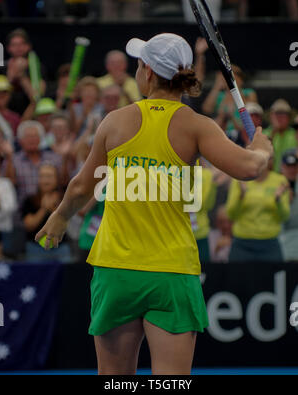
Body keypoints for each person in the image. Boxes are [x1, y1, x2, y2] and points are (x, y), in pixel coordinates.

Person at [36, 33, 272, 375]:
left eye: (138, 64)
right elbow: (251, 168)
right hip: (171, 272)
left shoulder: (114, 121)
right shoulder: (197, 125)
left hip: (117, 270)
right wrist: (262, 147)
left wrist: (59, 219)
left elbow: (80, 187)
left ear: (147, 73)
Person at [226, 157, 290, 263]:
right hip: (242, 243)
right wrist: (241, 196)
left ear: (270, 161)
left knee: (273, 279)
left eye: (265, 159)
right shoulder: (239, 179)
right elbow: (231, 215)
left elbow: (284, 216)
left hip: (270, 243)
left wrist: (278, 201)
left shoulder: (280, 180)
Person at [22, 163, 71, 263]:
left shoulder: (65, 199)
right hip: (35, 249)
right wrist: (43, 208)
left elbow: (67, 224)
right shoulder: (30, 200)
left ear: (57, 179)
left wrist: (54, 209)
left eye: (49, 176)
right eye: (42, 176)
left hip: (61, 248)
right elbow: (29, 225)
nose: (45, 180)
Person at [263, 99, 297, 172]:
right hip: (269, 178)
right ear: (271, 116)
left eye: (284, 114)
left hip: (291, 177)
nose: (280, 117)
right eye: (277, 114)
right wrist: (274, 132)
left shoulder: (295, 134)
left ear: (289, 118)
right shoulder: (263, 134)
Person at [279, 150, 298, 261]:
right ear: (282, 167)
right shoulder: (274, 185)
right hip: (279, 243)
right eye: (288, 166)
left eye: (294, 166)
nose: (292, 170)